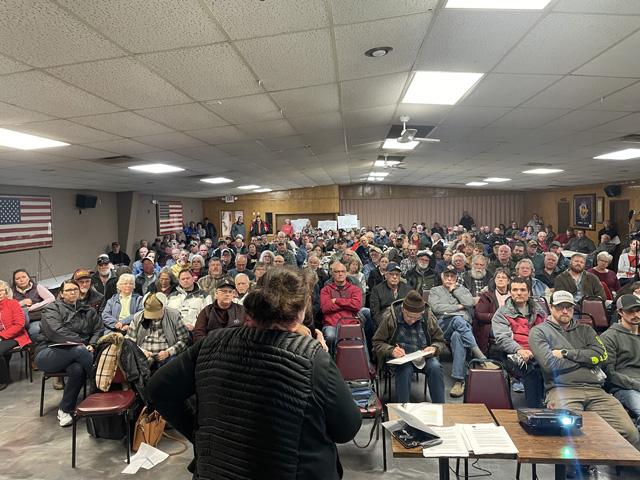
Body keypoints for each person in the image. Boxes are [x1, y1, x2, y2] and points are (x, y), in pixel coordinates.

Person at [147, 267, 361, 480]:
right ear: (300, 312)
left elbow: (158, 389)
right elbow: (347, 429)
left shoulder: (212, 343)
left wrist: (200, 431)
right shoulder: (312, 357)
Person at [530, 290, 639, 449]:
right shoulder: (539, 332)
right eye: (560, 307)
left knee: (630, 432)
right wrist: (587, 359)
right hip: (562, 390)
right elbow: (549, 364)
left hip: (596, 390)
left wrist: (567, 354)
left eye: (569, 307)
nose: (565, 311)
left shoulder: (586, 330)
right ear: (551, 308)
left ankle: (629, 467)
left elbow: (601, 357)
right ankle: (575, 469)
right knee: (570, 431)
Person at [35, 280, 102, 427]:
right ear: (61, 294)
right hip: (49, 352)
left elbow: (98, 330)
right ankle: (100, 384)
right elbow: (55, 331)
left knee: (77, 369)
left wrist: (92, 344)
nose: (72, 292)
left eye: (75, 289)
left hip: (79, 353)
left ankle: (64, 410)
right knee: (79, 350)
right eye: (68, 290)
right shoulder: (52, 309)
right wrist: (82, 344)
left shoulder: (88, 311)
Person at [429, 265, 497, 397]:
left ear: (456, 278)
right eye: (446, 276)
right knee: (457, 319)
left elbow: (470, 302)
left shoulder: (462, 290)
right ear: (442, 277)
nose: (449, 279)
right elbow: (436, 308)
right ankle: (482, 359)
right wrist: (459, 307)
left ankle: (459, 381)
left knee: (458, 336)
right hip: (443, 326)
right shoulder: (435, 290)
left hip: (461, 329)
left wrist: (455, 291)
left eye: (452, 277)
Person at [373, 291, 445, 403]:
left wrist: (434, 348)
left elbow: (440, 340)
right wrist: (391, 350)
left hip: (423, 356)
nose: (412, 320)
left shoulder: (428, 317)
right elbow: (377, 342)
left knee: (435, 366)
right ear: (403, 310)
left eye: (417, 317)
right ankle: (404, 407)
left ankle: (440, 407)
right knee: (405, 368)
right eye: (409, 316)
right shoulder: (390, 317)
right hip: (402, 357)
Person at [492, 277, 547, 407]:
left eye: (523, 290)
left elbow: (547, 333)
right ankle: (535, 410)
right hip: (512, 353)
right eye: (515, 290)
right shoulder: (502, 313)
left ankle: (554, 406)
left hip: (537, 351)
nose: (519, 293)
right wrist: (520, 350)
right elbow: (502, 338)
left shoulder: (539, 311)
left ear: (529, 293)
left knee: (556, 368)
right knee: (532, 372)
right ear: (510, 292)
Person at [601, 294, 640, 430]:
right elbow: (609, 374)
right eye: (630, 311)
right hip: (624, 387)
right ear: (620, 312)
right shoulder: (609, 337)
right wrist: (636, 384)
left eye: (638, 310)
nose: (636, 314)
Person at [126, 292, 190, 370]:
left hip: (168, 356)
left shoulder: (174, 316)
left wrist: (168, 352)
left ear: (163, 308)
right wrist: (142, 351)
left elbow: (185, 340)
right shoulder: (137, 318)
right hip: (144, 356)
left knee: (172, 367)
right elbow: (129, 342)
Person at [320, 261, 362, 353]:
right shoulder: (326, 290)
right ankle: (329, 363)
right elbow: (325, 308)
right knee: (330, 337)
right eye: (337, 272)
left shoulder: (355, 289)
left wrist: (336, 301)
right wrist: (347, 304)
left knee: (358, 338)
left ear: (346, 273)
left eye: (343, 271)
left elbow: (356, 305)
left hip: (350, 324)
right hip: (331, 324)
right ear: (332, 273)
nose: (340, 274)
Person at [193, 277, 244, 343]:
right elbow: (198, 334)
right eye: (224, 291)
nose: (227, 294)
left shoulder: (241, 310)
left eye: (230, 292)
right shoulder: (206, 311)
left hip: (235, 347)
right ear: (216, 294)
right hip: (212, 348)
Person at [0, 280, 30, 390]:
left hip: (16, 336)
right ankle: (4, 373)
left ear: (6, 292)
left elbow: (19, 324)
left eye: (1, 291)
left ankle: (3, 380)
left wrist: (2, 336)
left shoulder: (13, 303)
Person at [11, 268, 54, 342]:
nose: (21, 280)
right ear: (15, 281)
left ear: (29, 278)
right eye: (18, 278)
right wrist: (22, 303)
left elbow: (51, 298)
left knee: (35, 330)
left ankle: (36, 350)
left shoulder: (37, 287)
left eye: (24, 277)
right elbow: (8, 307)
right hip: (19, 322)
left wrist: (33, 307)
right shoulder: (11, 291)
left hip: (36, 318)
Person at [474, 268, 511, 354]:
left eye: (503, 277)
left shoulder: (513, 296)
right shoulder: (486, 296)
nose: (500, 279)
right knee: (505, 333)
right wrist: (499, 317)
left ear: (508, 281)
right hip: (492, 325)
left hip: (512, 324)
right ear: (494, 280)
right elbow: (479, 314)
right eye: (498, 277)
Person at [370, 262, 411, 327]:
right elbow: (375, 313)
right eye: (391, 274)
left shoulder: (408, 289)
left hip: (404, 323)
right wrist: (384, 326)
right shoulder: (377, 290)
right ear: (386, 275)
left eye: (397, 274)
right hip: (384, 323)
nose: (394, 277)